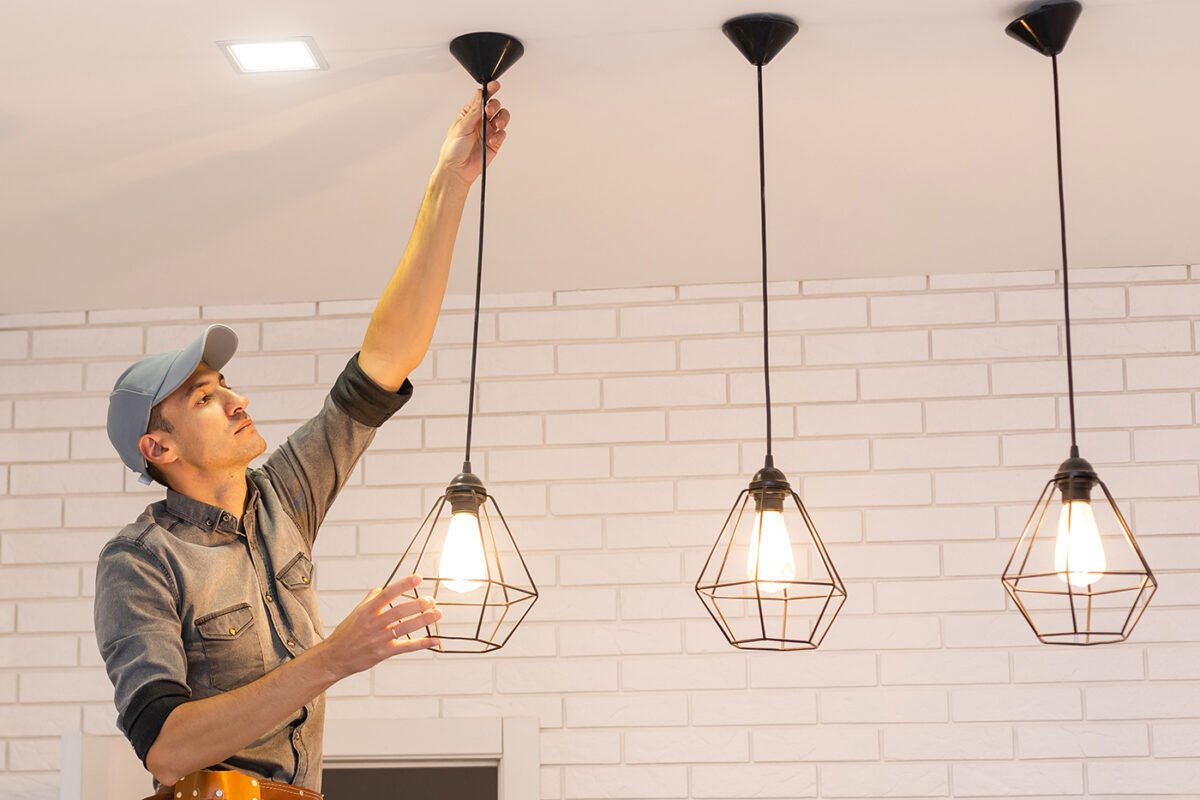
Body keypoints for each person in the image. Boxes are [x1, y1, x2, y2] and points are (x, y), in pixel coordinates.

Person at [93, 82, 511, 800]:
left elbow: (384, 362)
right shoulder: (140, 560)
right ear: (158, 448)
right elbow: (166, 750)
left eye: (226, 385)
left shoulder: (282, 499)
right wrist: (334, 657)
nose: (237, 400)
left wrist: (451, 179)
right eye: (205, 397)